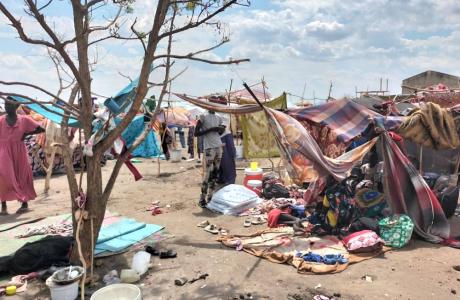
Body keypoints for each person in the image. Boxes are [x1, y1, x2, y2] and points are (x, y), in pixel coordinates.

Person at [0, 100, 44, 215]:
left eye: (9, 104)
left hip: (19, 151)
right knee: (3, 175)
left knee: (22, 175)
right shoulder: (1, 120)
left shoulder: (24, 120)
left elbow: (41, 129)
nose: (7, 107)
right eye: (5, 104)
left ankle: (24, 204)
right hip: (4, 150)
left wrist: (25, 134)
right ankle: (3, 206)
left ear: (16, 105)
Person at [194, 110, 225, 207]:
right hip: (209, 149)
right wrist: (211, 129)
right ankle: (202, 199)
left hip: (218, 147)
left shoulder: (219, 117)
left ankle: (210, 197)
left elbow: (220, 132)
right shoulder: (202, 116)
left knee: (215, 174)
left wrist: (219, 129)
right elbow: (196, 133)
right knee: (207, 174)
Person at [217, 113, 236, 184]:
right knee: (219, 160)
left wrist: (209, 129)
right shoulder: (209, 111)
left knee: (227, 160)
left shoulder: (225, 114)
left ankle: (230, 179)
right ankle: (221, 178)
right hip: (217, 138)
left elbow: (221, 130)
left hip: (224, 137)